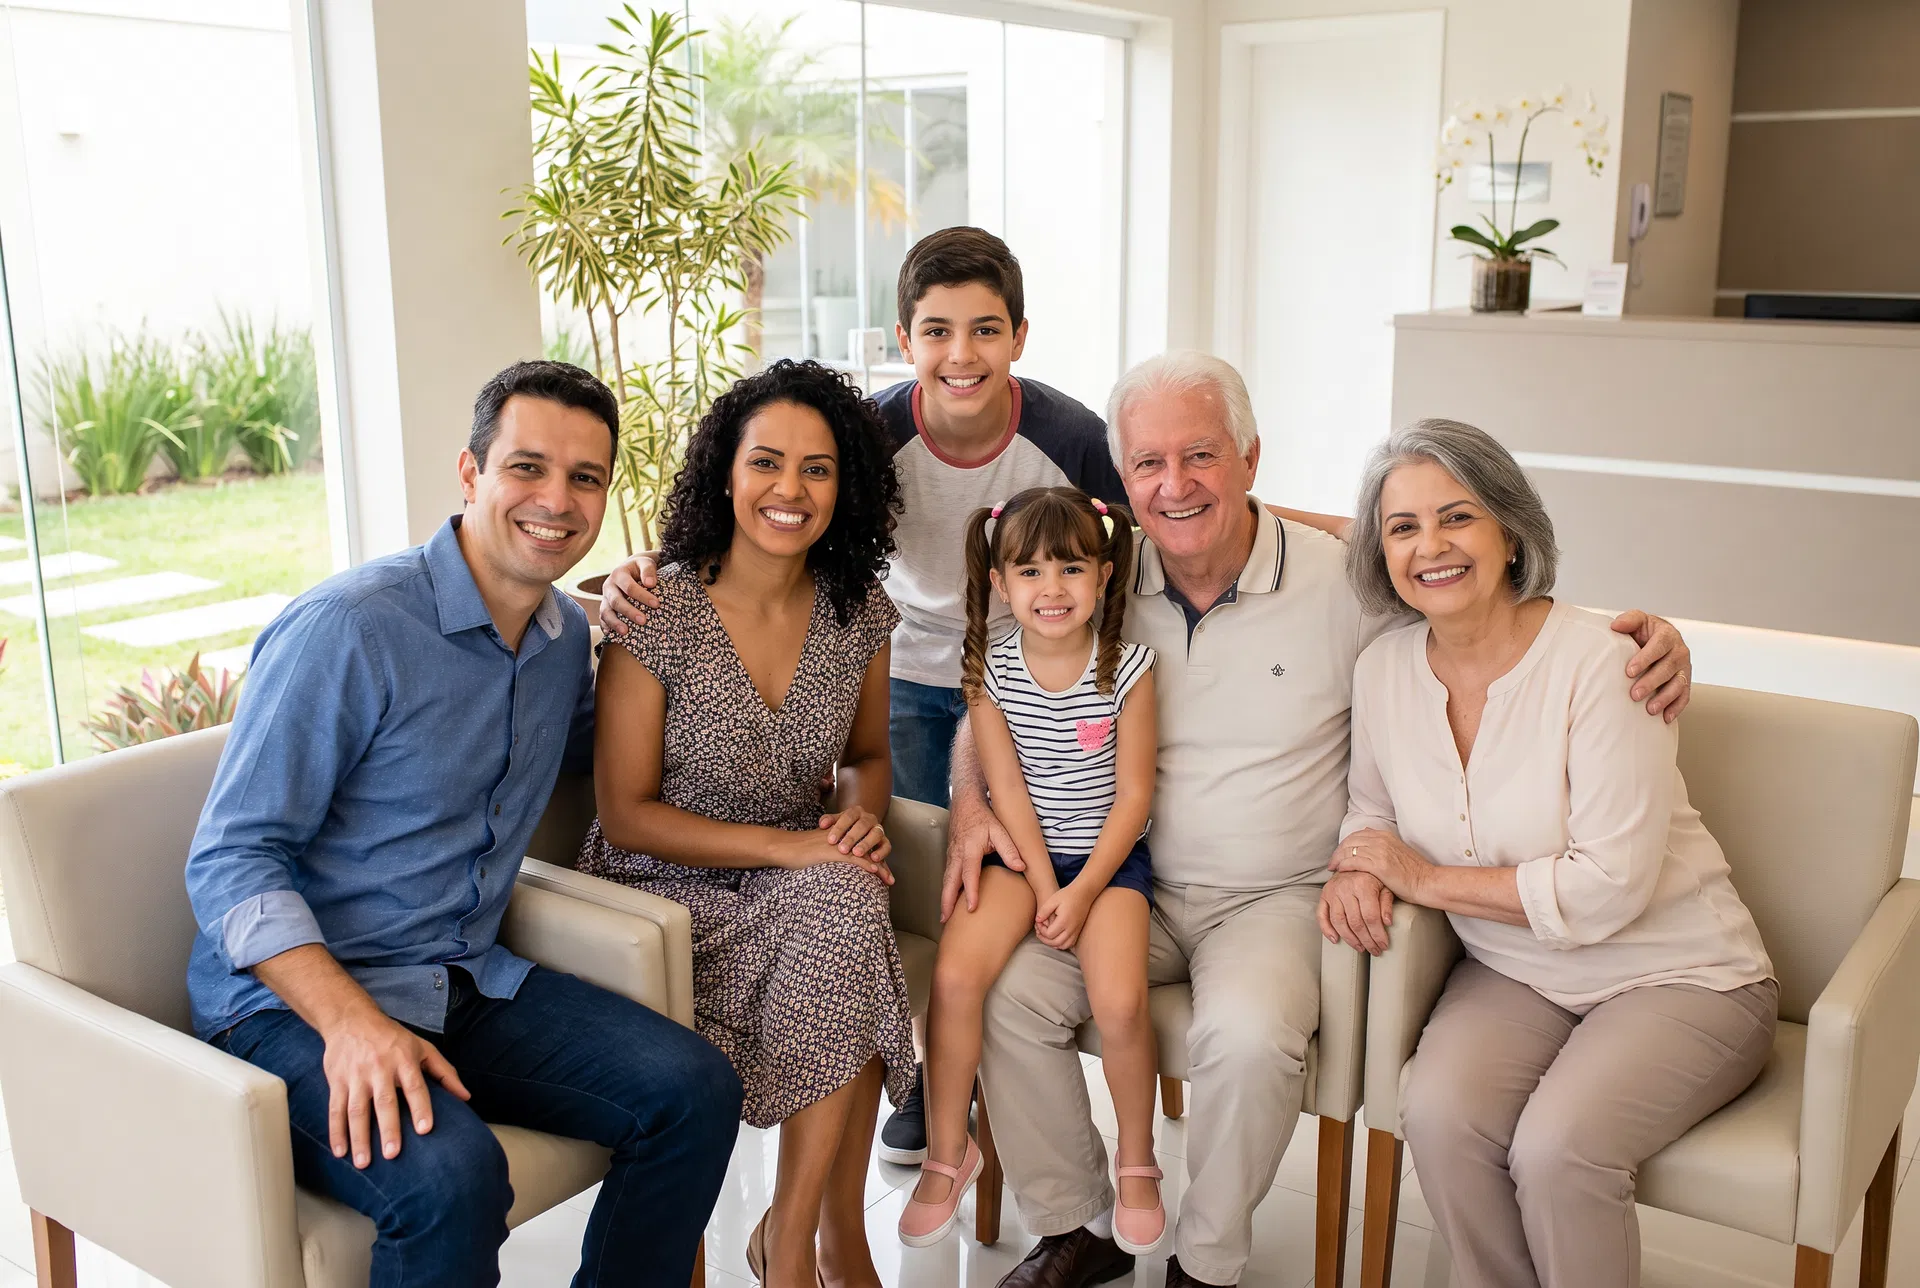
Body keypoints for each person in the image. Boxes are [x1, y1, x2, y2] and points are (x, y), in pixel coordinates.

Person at [597, 229, 1346, 1171]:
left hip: (1040, 672)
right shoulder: (862, 436)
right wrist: (644, 567)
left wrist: (1359, 531)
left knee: (1019, 862)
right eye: (938, 331)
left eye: (985, 330)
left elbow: (1183, 503)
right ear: (904, 338)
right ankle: (927, 1072)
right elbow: (779, 525)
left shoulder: (1071, 438)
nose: (962, 354)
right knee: (940, 880)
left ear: (1019, 337)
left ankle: (987, 1078)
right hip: (905, 669)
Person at [951, 352, 1700, 1288]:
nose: (1174, 486)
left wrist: (1639, 636)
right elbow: (998, 688)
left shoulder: (1343, 587)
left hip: (1272, 896)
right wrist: (973, 795)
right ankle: (1078, 1225)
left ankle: (1205, 1262)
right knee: (1007, 994)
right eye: (1147, 464)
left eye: (1201, 456)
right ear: (1121, 478)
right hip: (1117, 880)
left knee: (1251, 1036)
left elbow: (1474, 600)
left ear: (1252, 458)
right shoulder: (1095, 574)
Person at [184, 360, 742, 1288]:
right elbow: (232, 860)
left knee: (693, 1091)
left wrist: (670, 610)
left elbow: (619, 763)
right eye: (527, 468)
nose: (556, 500)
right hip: (293, 1007)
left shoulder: (565, 641)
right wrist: (352, 1026)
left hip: (460, 977)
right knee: (451, 1178)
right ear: (471, 472)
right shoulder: (349, 628)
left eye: (586, 478)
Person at [1321, 418, 1776, 1288]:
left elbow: (1609, 888)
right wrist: (1356, 867)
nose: (1431, 547)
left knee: (1561, 1151)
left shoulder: (1607, 663)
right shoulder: (1382, 671)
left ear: (1508, 528)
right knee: (1441, 1114)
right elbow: (1370, 815)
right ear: (1380, 556)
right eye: (1402, 528)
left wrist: (1418, 878)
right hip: (1516, 971)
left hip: (1679, 975)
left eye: (1457, 518)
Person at [577, 359, 916, 1288]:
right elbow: (626, 813)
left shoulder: (859, 611)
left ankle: (791, 1239)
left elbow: (871, 757)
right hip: (656, 893)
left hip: (795, 874)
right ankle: (804, 1252)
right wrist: (803, 847)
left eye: (817, 469)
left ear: (845, 487)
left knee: (846, 896)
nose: (789, 490)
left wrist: (854, 823)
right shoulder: (656, 607)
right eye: (767, 462)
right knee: (844, 911)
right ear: (726, 470)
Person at [899, 486, 1163, 1255]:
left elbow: (1136, 796)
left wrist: (1081, 893)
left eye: (1072, 569)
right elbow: (1005, 789)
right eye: (1031, 572)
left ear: (1105, 576)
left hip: (1109, 863)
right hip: (1027, 858)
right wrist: (1047, 886)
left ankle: (1138, 1162)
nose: (1052, 590)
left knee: (1118, 1002)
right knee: (955, 979)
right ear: (1001, 583)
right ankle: (950, 1151)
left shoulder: (1130, 666)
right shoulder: (987, 667)